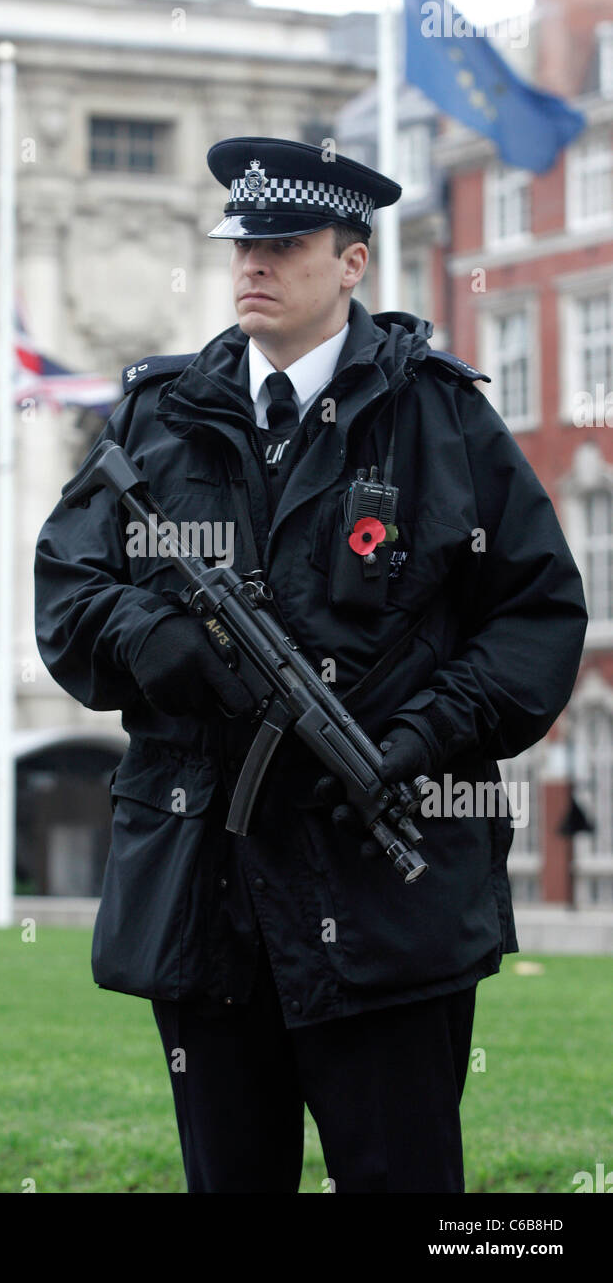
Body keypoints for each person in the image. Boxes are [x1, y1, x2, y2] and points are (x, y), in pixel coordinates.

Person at [34, 136, 587, 1193]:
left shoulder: (437, 416)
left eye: (283, 243)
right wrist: (142, 639)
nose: (252, 262)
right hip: (205, 894)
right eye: (241, 241)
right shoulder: (158, 416)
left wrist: (421, 734)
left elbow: (534, 618)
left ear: (349, 263)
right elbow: (66, 588)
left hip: (384, 899)